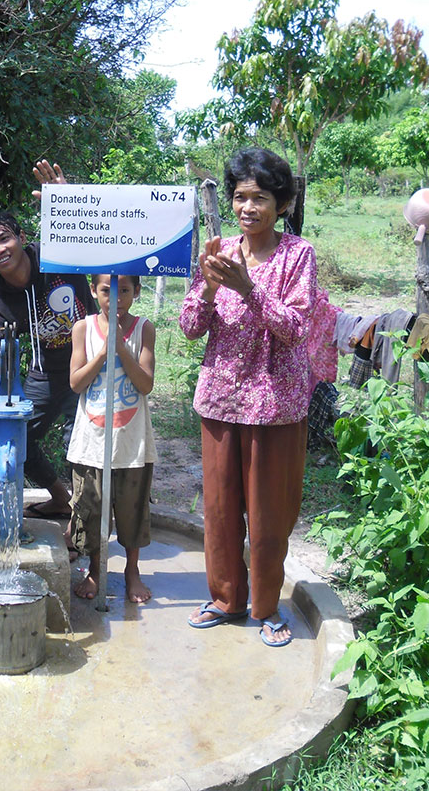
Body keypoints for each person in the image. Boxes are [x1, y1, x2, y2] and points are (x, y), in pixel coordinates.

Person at [180, 147, 322, 647]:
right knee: (219, 512)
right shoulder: (220, 250)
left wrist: (248, 290)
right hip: (219, 399)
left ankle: (266, 607)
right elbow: (191, 327)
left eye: (260, 198)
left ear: (281, 203)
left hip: (275, 404)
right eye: (241, 197)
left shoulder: (296, 255)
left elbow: (297, 328)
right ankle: (225, 600)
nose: (248, 208)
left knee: (268, 517)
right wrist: (210, 284)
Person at [0, 210, 96, 524]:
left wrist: (70, 201)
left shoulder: (57, 254)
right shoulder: (1, 305)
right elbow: (4, 362)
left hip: (95, 364)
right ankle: (60, 500)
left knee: (80, 445)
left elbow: (90, 241)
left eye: (4, 238)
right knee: (14, 440)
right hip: (48, 374)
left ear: (22, 238)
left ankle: (84, 527)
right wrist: (6, 405)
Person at [67, 274, 156, 603]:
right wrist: (104, 354)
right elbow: (76, 383)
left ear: (137, 292)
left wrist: (122, 350)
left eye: (125, 291)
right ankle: (95, 569)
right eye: (107, 291)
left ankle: (132, 570)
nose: (115, 299)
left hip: (132, 442)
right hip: (92, 441)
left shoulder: (143, 328)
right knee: (91, 509)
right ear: (93, 290)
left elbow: (145, 385)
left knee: (133, 510)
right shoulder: (83, 329)